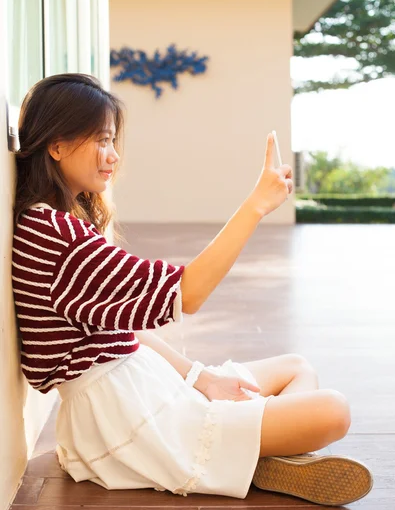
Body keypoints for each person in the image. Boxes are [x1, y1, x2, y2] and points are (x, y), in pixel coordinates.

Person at [12, 73, 373, 506]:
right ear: (56, 145)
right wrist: (256, 205)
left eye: (113, 142)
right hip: (127, 417)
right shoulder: (55, 235)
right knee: (333, 409)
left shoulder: (53, 225)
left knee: (297, 368)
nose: (112, 156)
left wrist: (200, 378)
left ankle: (260, 458)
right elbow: (189, 292)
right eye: (100, 141)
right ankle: (257, 456)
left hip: (141, 388)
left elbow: (126, 334)